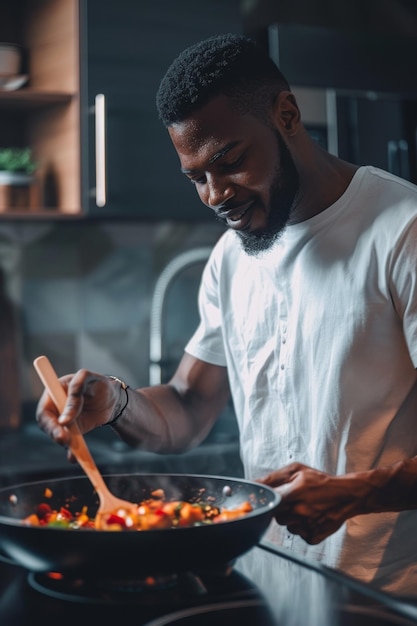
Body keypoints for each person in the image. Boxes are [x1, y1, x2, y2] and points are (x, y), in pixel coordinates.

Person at [36, 33, 417, 596]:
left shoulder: (402, 230)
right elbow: (188, 409)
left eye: (229, 161)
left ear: (287, 115)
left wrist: (355, 491)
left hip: (385, 594)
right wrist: (117, 401)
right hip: (266, 582)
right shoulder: (231, 258)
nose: (215, 195)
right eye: (196, 177)